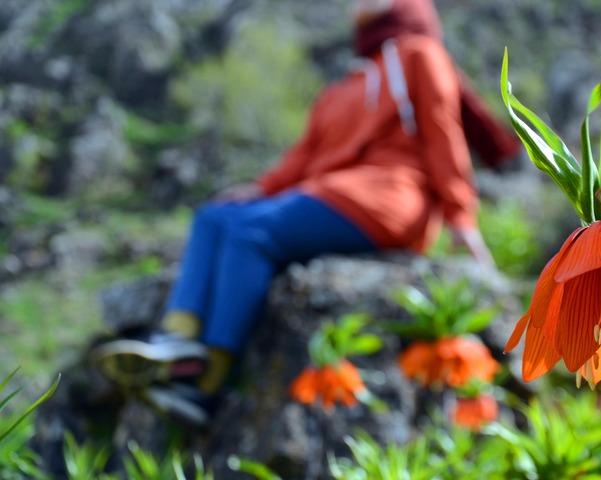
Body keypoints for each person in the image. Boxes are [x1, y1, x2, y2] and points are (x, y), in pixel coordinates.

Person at [92, 0, 520, 427]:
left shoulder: (421, 54)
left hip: (387, 200)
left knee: (250, 231)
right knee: (214, 216)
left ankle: (211, 374)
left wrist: (461, 217)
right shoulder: (344, 86)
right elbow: (302, 158)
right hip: (330, 194)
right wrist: (259, 188)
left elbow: (442, 133)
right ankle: (178, 344)